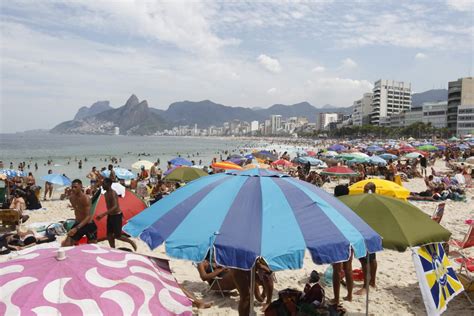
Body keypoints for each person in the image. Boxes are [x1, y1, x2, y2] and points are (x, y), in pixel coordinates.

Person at [96, 178, 137, 250]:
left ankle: (131, 242)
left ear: (109, 184)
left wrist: (103, 214)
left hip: (116, 215)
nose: (102, 186)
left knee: (118, 236)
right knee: (109, 235)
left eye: (104, 184)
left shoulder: (113, 193)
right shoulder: (105, 194)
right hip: (110, 215)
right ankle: (113, 248)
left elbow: (115, 206)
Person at [355, 182, 378, 295]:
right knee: (372, 258)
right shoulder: (377, 201)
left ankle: (366, 286)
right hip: (374, 232)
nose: (364, 191)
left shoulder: (368, 201)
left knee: (364, 259)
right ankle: (372, 282)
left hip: (367, 232)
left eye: (365, 189)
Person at [332, 185, 353, 304]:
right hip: (350, 238)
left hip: (337, 239)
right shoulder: (351, 206)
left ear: (335, 194)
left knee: (337, 270)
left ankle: (336, 298)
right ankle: (349, 295)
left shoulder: (333, 205)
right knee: (348, 268)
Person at [61, 179, 97, 246]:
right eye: (72, 187)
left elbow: (88, 216)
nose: (73, 189)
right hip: (78, 223)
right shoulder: (71, 198)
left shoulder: (86, 198)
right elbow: (77, 209)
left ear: (81, 187)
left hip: (88, 224)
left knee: (92, 247)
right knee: (66, 244)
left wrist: (76, 228)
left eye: (75, 187)